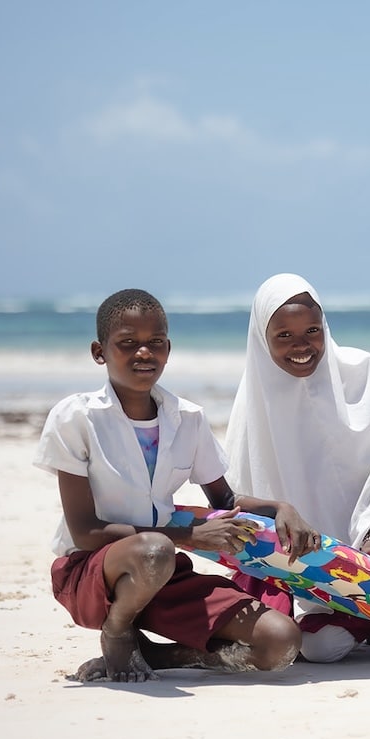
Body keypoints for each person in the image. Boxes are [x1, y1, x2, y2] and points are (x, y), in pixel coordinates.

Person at [36, 289, 319, 683]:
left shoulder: (187, 418)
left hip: (163, 574)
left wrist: (280, 508)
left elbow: (224, 499)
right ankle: (118, 634)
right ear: (99, 352)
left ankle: (155, 655)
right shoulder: (76, 418)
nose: (143, 353)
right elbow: (85, 532)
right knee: (155, 551)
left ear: (168, 348)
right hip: (91, 574)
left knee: (281, 641)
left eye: (155, 343)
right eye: (127, 344)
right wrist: (190, 536)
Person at [225, 273, 370, 662]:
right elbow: (239, 500)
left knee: (324, 643)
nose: (302, 346)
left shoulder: (365, 374)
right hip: (297, 555)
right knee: (270, 624)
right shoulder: (253, 403)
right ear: (261, 341)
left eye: (312, 330)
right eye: (284, 335)